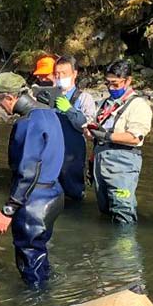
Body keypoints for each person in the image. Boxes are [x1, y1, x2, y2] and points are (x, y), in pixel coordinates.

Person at [0, 73, 64, 286]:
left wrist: (8, 209)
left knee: (30, 264)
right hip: (55, 194)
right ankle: (45, 294)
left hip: (34, 201)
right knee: (40, 255)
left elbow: (28, 170)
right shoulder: (50, 113)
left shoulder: (28, 123)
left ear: (9, 98)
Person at [88, 60, 152, 224]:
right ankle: (106, 246)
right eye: (108, 83)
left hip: (123, 163)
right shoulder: (104, 104)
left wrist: (106, 136)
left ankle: (125, 247)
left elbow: (135, 137)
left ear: (128, 81)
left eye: (115, 84)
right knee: (104, 209)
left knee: (123, 210)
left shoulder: (138, 105)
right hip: (100, 160)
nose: (111, 88)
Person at [53, 55, 96, 200]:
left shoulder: (84, 98)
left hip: (73, 153)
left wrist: (70, 110)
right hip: (52, 150)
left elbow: (87, 126)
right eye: (57, 74)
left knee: (73, 192)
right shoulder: (50, 96)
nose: (60, 77)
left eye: (64, 73)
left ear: (74, 74)